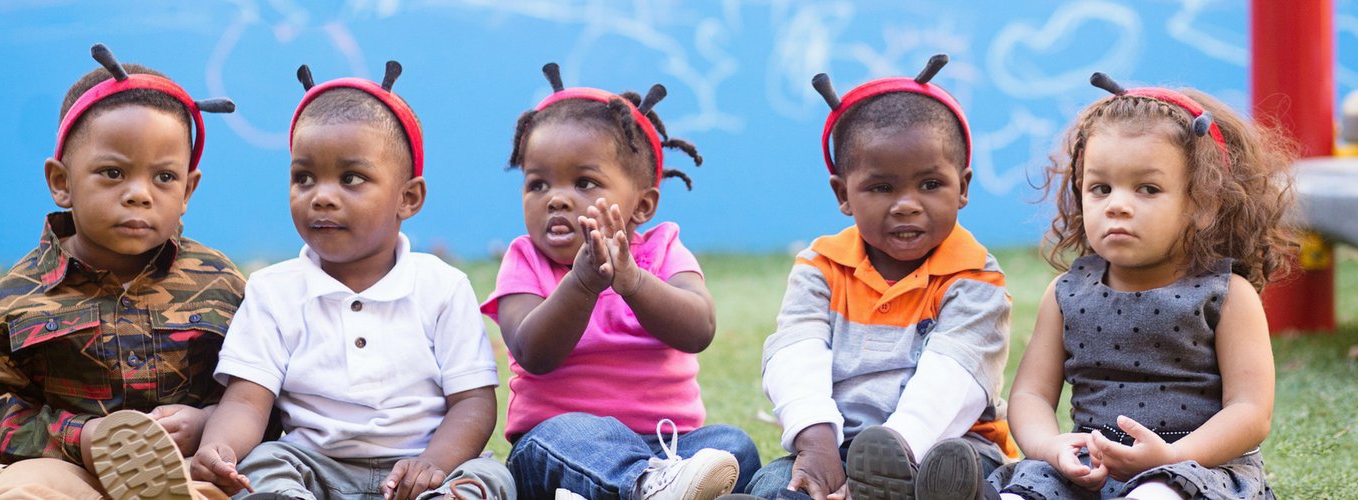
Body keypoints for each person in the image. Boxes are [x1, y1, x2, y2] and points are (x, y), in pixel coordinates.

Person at [189, 63, 513, 500]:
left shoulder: (442, 286)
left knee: (490, 479)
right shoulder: (273, 290)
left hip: (419, 468)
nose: (321, 195)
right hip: (313, 469)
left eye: (351, 178)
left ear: (408, 198)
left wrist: (434, 463)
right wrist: (220, 447)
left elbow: (473, 402)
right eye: (303, 177)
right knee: (264, 463)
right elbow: (247, 401)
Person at [0, 43, 242, 499]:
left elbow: (262, 388)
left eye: (164, 178)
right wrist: (79, 438)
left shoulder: (220, 282)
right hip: (70, 471)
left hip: (189, 469)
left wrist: (209, 423)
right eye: (112, 173)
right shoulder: (18, 296)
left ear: (188, 189)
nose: (138, 194)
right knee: (20, 492)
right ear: (61, 182)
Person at [989, 72, 1296, 499]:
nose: (1117, 205)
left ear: (1202, 205)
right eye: (1101, 188)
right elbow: (1030, 395)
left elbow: (1249, 412)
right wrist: (1051, 447)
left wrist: (1172, 456)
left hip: (1194, 467)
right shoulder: (1067, 293)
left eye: (1147, 189)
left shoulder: (1225, 295)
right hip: (1090, 466)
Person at [482, 63, 760, 500]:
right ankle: (643, 486)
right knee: (564, 436)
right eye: (537, 184)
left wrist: (632, 282)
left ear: (643, 204)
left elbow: (699, 329)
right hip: (564, 445)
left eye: (585, 182)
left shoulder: (665, 251)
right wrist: (582, 284)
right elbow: (533, 353)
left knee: (733, 445)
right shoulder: (524, 260)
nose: (556, 198)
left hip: (669, 444)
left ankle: (652, 487)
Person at [750, 55, 1014, 500]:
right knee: (779, 484)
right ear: (843, 194)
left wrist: (895, 454)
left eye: (930, 184)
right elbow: (796, 352)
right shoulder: (822, 266)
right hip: (836, 444)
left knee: (963, 483)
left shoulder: (974, 276)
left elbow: (952, 380)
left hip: (949, 444)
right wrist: (815, 443)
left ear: (963, 187)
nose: (907, 204)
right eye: (882, 188)